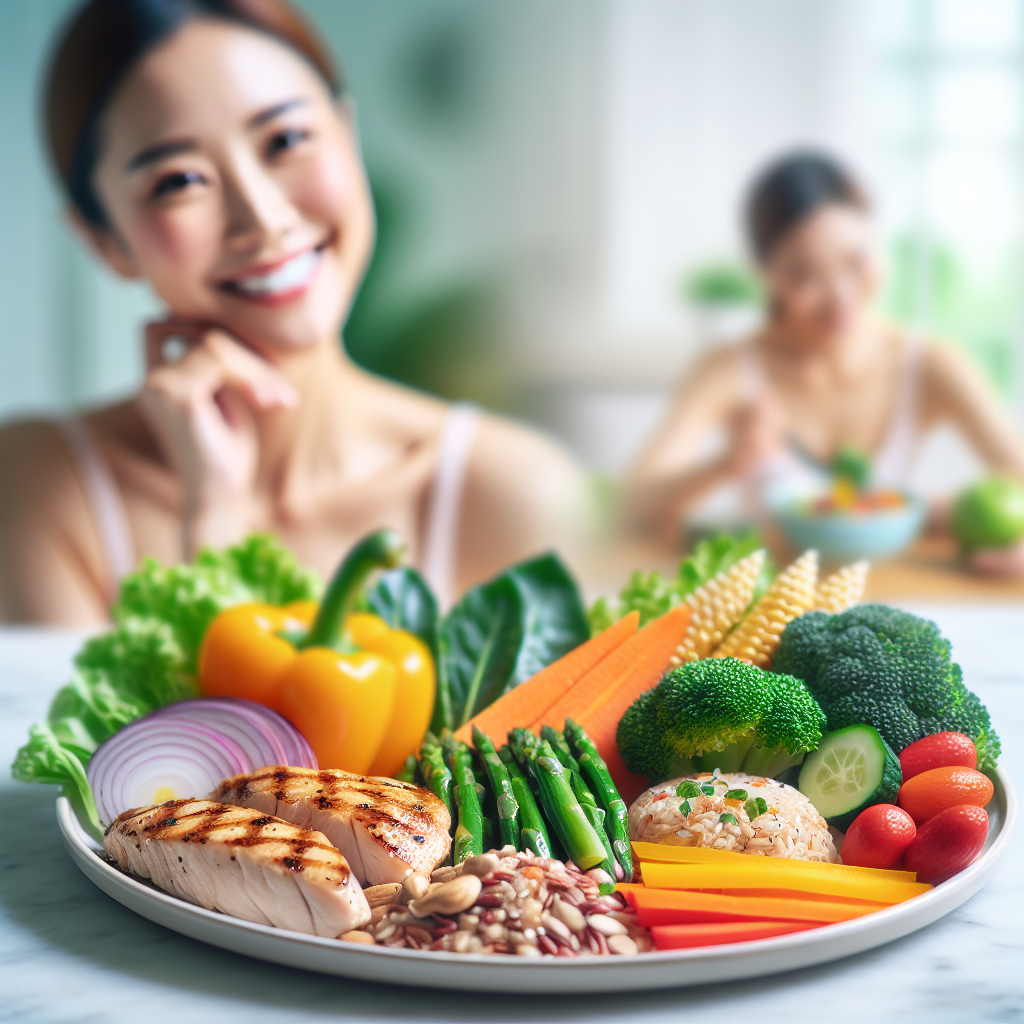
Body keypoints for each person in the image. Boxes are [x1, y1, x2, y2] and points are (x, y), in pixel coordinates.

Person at [0, 0, 583, 625]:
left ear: (348, 136)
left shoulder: (511, 489)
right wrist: (213, 516)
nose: (263, 218)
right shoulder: (36, 487)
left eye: (285, 140)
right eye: (178, 181)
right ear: (104, 241)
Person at [627, 150, 1024, 544]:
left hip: (898, 598)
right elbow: (627, 508)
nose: (839, 295)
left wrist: (937, 509)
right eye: (803, 275)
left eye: (856, 260)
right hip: (772, 603)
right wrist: (726, 463)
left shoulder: (930, 363)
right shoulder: (728, 368)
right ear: (764, 275)